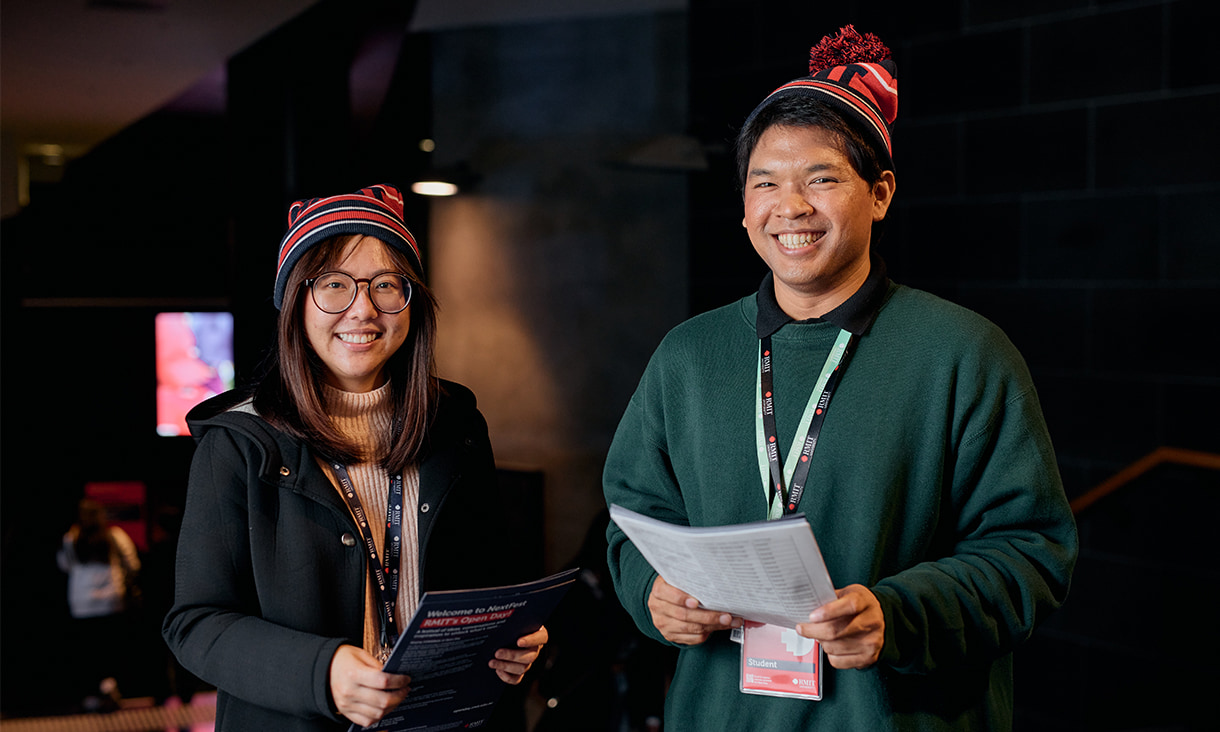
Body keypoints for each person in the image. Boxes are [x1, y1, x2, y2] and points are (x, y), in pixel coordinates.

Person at [603, 26, 1078, 731]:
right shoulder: (689, 354)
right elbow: (632, 523)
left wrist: (897, 614)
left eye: (821, 179)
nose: (789, 207)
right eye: (765, 182)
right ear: (742, 207)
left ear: (880, 193)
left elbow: (1031, 552)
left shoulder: (963, 352)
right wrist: (652, 593)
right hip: (719, 715)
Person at [162, 184, 547, 731]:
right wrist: (323, 672)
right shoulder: (240, 443)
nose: (362, 309)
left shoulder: (455, 424)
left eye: (386, 285)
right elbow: (195, 624)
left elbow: (491, 582)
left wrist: (515, 635)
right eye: (335, 285)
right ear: (295, 302)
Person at [57, 497, 142, 710]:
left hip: (82, 604)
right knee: (110, 649)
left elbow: (64, 565)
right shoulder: (114, 535)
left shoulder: (71, 539)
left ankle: (94, 693)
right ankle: (110, 687)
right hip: (110, 601)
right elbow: (133, 563)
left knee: (89, 651)